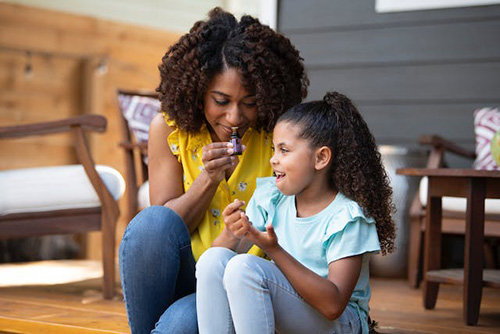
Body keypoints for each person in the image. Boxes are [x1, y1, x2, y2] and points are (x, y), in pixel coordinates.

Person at [118, 7, 308, 334]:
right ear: (198, 91)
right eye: (221, 101)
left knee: (179, 325)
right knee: (151, 222)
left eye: (249, 103)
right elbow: (162, 230)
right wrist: (208, 179)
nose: (234, 117)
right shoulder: (168, 130)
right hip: (184, 273)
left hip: (243, 283)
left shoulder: (279, 134)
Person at [196, 91, 396, 334]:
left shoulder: (347, 217)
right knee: (212, 259)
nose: (273, 160)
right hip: (294, 310)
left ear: (321, 158)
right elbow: (218, 265)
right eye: (273, 149)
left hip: (341, 323)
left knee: (245, 268)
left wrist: (274, 250)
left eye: (284, 150)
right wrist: (231, 232)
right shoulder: (272, 197)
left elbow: (333, 305)